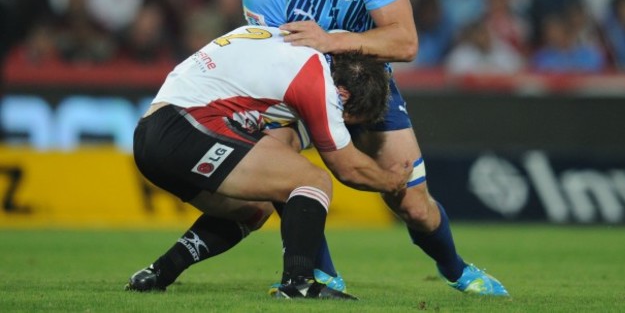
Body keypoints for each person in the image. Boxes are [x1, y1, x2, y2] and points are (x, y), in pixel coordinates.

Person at [241, 0, 509, 297]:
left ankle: (458, 271)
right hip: (303, 91)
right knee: (281, 165)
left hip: (370, 85)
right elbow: (274, 71)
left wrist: (333, 40)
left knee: (414, 205)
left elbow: (406, 43)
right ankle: (321, 273)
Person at [125, 25, 412, 299]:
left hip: (153, 137)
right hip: (186, 126)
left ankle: (158, 274)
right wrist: (392, 181)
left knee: (254, 209)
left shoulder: (288, 43)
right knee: (314, 180)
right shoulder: (316, 78)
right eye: (346, 119)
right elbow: (346, 168)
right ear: (343, 95)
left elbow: (280, 146)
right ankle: (297, 284)